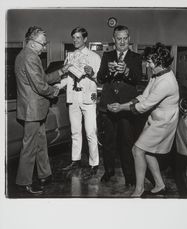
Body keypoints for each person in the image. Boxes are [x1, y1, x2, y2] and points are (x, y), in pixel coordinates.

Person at [108, 43, 179, 197]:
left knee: (137, 149)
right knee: (147, 151)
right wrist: (122, 104)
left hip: (164, 122)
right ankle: (160, 185)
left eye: (149, 61)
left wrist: (121, 108)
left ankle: (138, 190)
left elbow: (143, 106)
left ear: (159, 61)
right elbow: (143, 97)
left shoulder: (166, 82)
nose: (147, 64)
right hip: (156, 117)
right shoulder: (157, 74)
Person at [15, 26, 69, 194]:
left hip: (35, 110)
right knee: (30, 147)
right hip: (32, 109)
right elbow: (39, 85)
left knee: (40, 144)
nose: (44, 47)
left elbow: (43, 78)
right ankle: (23, 182)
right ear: (32, 42)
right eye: (42, 44)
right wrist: (56, 90)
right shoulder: (29, 57)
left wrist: (61, 71)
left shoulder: (27, 56)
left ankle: (45, 175)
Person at [97, 25, 142, 187]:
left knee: (127, 143)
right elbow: (100, 78)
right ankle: (108, 172)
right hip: (108, 106)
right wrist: (109, 71)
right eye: (119, 38)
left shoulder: (136, 57)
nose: (122, 41)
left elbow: (138, 79)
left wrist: (127, 71)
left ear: (129, 39)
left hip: (125, 107)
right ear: (114, 40)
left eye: (125, 38)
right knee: (108, 142)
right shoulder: (107, 55)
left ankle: (129, 176)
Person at [61, 27, 101, 177]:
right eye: (74, 38)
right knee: (75, 131)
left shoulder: (94, 57)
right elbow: (66, 78)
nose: (76, 40)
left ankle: (94, 163)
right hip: (73, 97)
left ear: (85, 39)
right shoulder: (70, 56)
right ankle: (75, 160)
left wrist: (92, 73)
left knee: (91, 132)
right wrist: (57, 85)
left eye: (79, 37)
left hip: (88, 97)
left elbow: (100, 80)